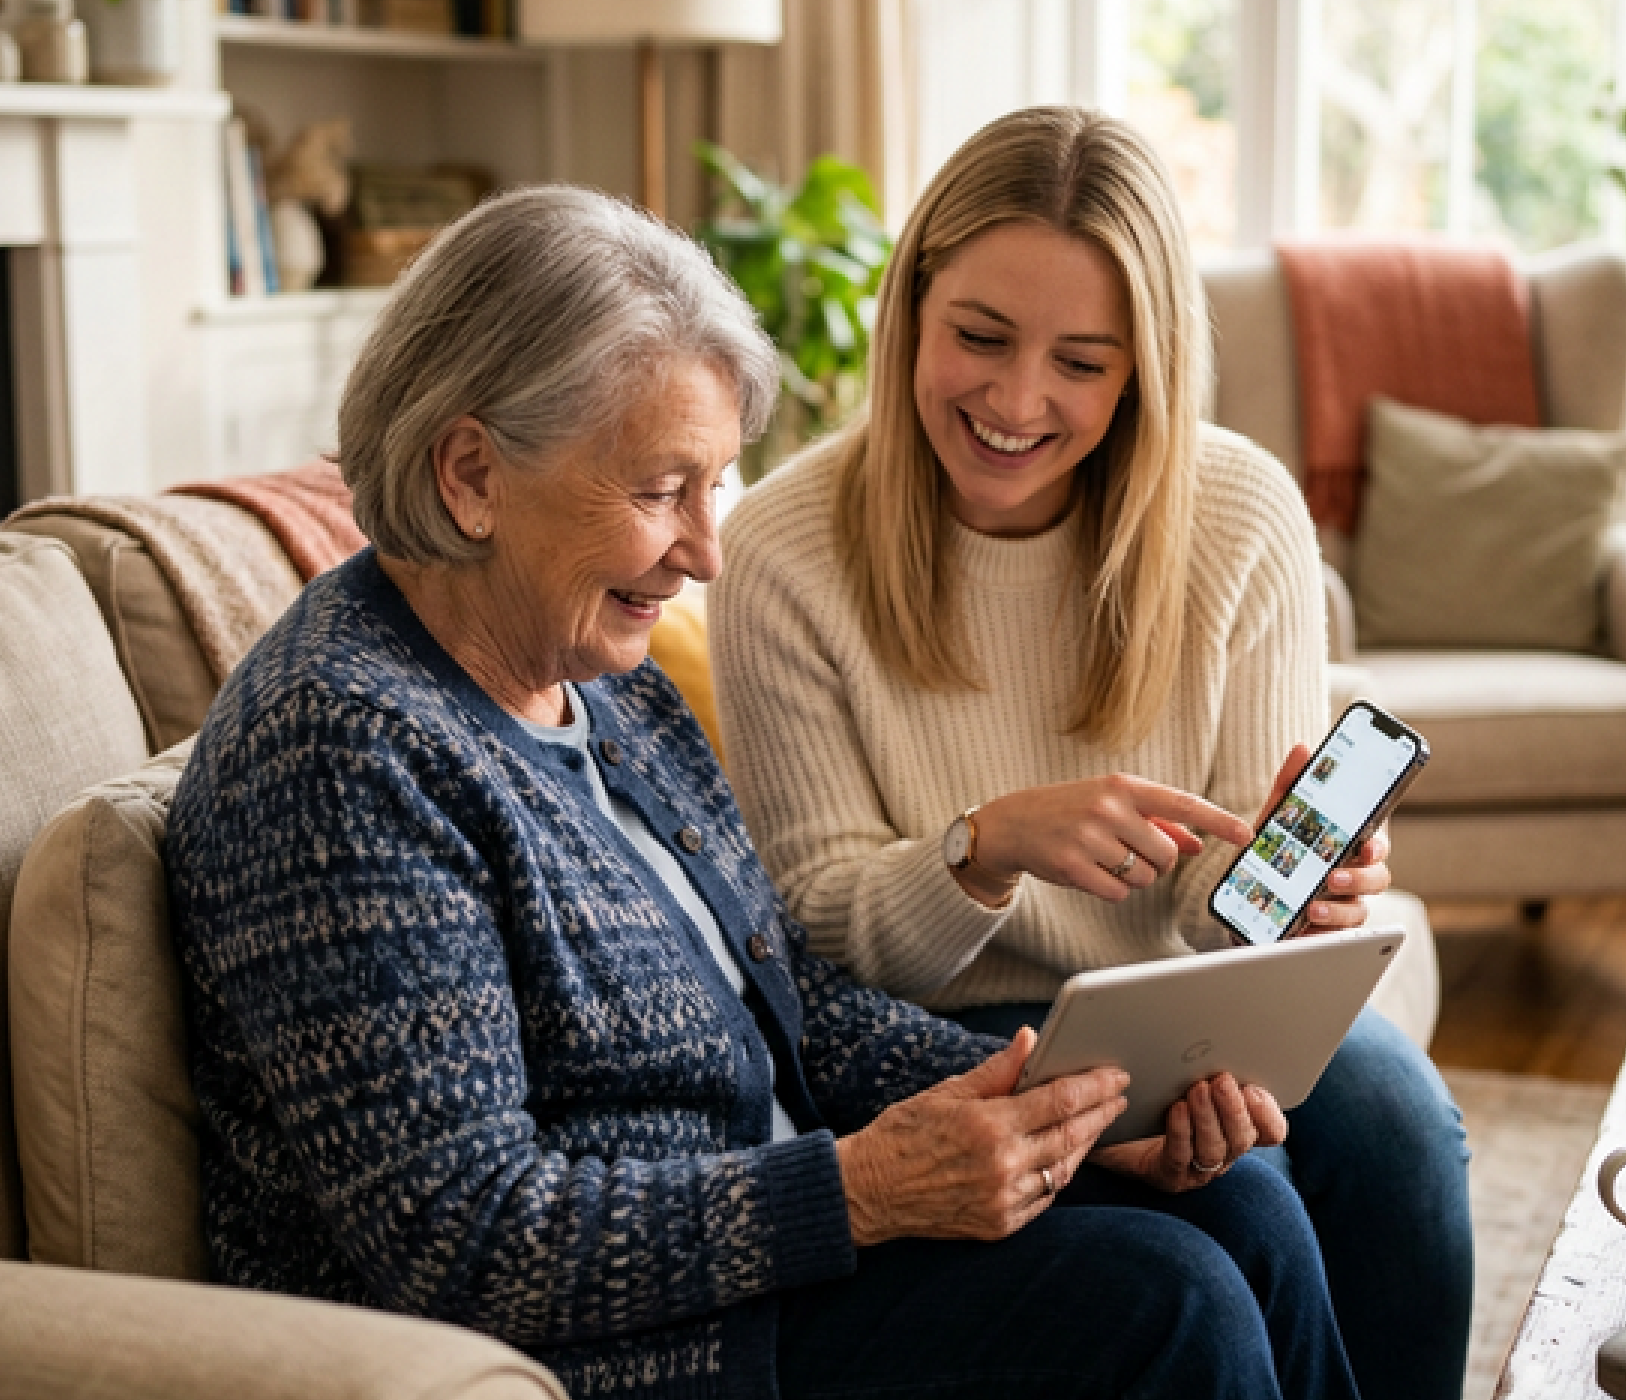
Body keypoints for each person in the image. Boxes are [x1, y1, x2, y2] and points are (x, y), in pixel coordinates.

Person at [166, 184, 1363, 1400]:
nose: (706, 551)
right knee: (1171, 1306)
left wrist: (1074, 1101)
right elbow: (466, 1237)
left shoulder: (599, 676)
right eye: (657, 490)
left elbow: (790, 995)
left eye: (715, 485)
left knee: (1245, 1204)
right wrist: (867, 1186)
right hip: (642, 1338)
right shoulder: (344, 757)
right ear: (472, 472)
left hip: (776, 1227)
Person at [710, 106, 1473, 1400]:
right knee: (1251, 1214)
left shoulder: (1237, 517)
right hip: (939, 1031)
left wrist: (1290, 906)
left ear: (1146, 370)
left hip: (1176, 997)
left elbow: (1226, 917)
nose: (1016, 402)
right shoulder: (786, 551)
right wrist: (985, 846)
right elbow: (821, 937)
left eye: (1083, 361)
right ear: (913, 308)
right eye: (980, 338)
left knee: (1399, 1133)